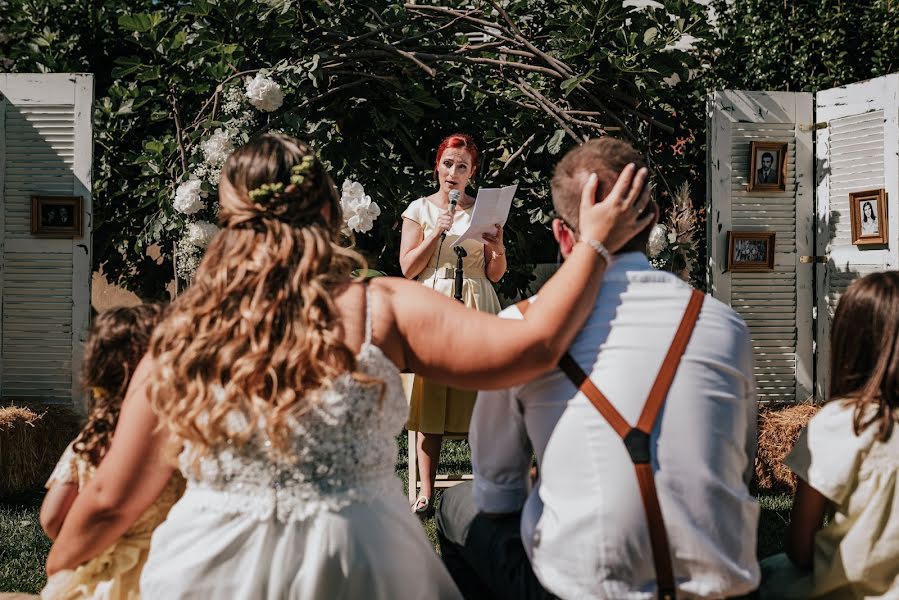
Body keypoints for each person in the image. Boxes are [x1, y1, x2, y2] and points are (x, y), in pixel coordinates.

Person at [44, 133, 655, 599]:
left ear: (229, 222)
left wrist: (58, 568)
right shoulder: (380, 307)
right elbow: (536, 346)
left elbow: (107, 503)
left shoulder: (182, 337)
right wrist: (595, 242)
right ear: (331, 214)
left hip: (207, 566)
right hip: (365, 561)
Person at [437, 137, 761, 600]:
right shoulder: (725, 326)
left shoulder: (521, 327)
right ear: (651, 223)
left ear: (563, 234)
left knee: (458, 503)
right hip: (720, 589)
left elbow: (498, 493)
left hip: (584, 592)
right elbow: (740, 464)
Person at [760, 271, 899, 599]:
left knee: (765, 575)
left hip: (845, 591)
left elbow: (800, 548)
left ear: (848, 341)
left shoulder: (839, 425)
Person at [39, 304, 185, 599]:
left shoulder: (90, 443)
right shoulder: (179, 436)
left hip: (105, 576)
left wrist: (91, 543)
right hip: (169, 569)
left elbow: (52, 518)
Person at [399, 133, 505, 518]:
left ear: (472, 173)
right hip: (434, 306)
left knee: (481, 395)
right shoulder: (420, 210)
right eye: (448, 164)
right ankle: (425, 492)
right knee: (431, 393)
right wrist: (436, 233)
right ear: (437, 167)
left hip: (477, 303)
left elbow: (495, 274)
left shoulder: (484, 211)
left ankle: (484, 482)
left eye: (462, 166)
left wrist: (498, 246)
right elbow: (408, 268)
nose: (454, 172)